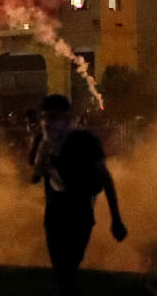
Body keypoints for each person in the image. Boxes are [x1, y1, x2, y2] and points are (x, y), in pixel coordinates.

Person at [33, 95, 126, 296]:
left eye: (54, 118)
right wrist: (40, 155)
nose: (48, 123)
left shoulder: (85, 141)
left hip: (79, 214)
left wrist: (116, 219)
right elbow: (35, 176)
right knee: (62, 272)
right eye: (45, 118)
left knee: (69, 269)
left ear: (67, 117)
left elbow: (106, 179)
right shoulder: (44, 142)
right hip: (55, 215)